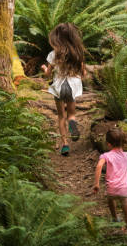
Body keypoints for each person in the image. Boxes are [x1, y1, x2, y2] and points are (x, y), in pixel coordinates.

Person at [41, 22, 86, 156]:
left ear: (57, 38)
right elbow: (83, 73)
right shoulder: (78, 53)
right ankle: (73, 125)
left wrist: (44, 68)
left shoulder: (54, 54)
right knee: (71, 114)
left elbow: (47, 74)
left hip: (59, 88)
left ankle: (65, 145)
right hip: (72, 87)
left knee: (61, 116)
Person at [93, 128, 127, 245]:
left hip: (112, 189)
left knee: (110, 198)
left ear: (108, 144)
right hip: (125, 190)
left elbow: (98, 167)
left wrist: (96, 184)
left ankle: (115, 217)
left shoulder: (105, 155)